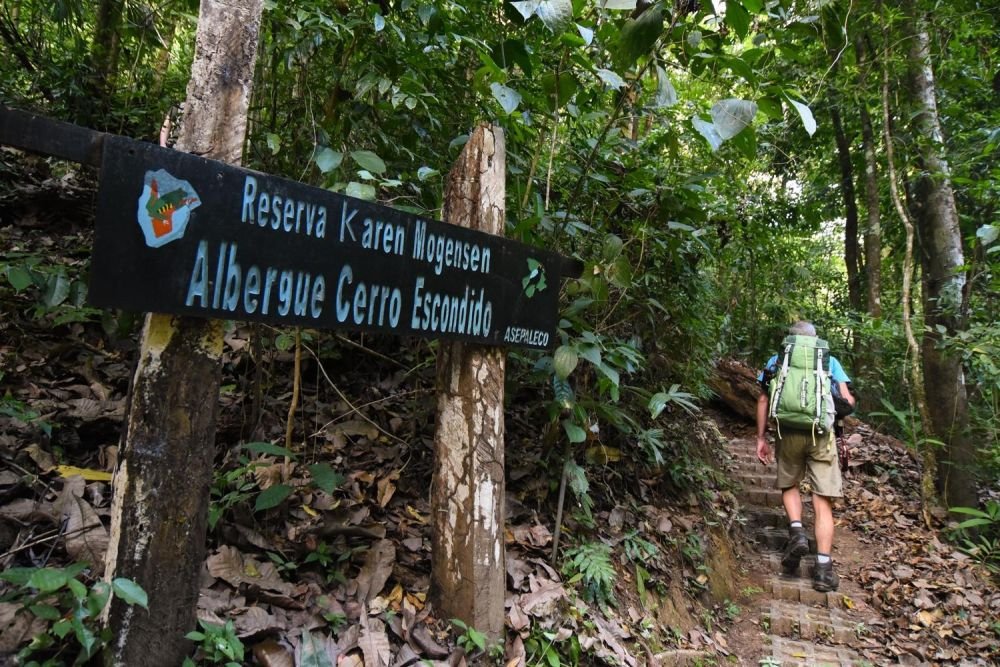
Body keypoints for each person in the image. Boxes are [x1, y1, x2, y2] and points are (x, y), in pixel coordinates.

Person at [755, 321, 855, 592]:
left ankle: (797, 531)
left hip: (787, 432)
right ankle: (823, 569)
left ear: (790, 339)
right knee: (822, 500)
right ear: (814, 339)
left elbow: (764, 399)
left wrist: (761, 438)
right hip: (820, 435)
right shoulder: (827, 360)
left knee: (790, 484)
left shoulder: (778, 359)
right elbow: (848, 401)